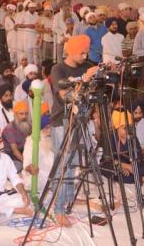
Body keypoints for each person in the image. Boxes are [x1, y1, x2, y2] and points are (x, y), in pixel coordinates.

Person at [49, 35, 97, 227]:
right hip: (62, 121)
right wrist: (84, 80)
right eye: (82, 52)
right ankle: (58, 209)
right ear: (72, 51)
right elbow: (66, 95)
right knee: (62, 164)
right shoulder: (58, 69)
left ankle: (68, 198)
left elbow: (90, 94)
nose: (85, 56)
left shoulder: (87, 66)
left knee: (75, 162)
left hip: (81, 119)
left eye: (87, 52)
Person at [109, 111, 144, 184]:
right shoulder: (111, 139)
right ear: (117, 128)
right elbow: (110, 160)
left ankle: (135, 176)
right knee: (114, 173)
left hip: (133, 166)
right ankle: (142, 179)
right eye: (125, 128)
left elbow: (138, 155)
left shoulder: (132, 137)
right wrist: (124, 167)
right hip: (119, 166)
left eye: (130, 127)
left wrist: (133, 165)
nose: (128, 130)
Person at [22, 115, 54, 193]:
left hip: (51, 177)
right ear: (39, 130)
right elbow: (27, 164)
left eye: (51, 128)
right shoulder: (31, 142)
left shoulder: (52, 139)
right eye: (46, 128)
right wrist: (30, 168)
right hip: (38, 178)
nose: (49, 131)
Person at [2, 101, 31, 172]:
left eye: (26, 114)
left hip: (24, 153)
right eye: (21, 114)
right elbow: (15, 151)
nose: (24, 116)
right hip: (12, 157)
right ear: (15, 115)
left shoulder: (28, 125)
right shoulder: (9, 129)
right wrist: (27, 163)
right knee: (19, 166)